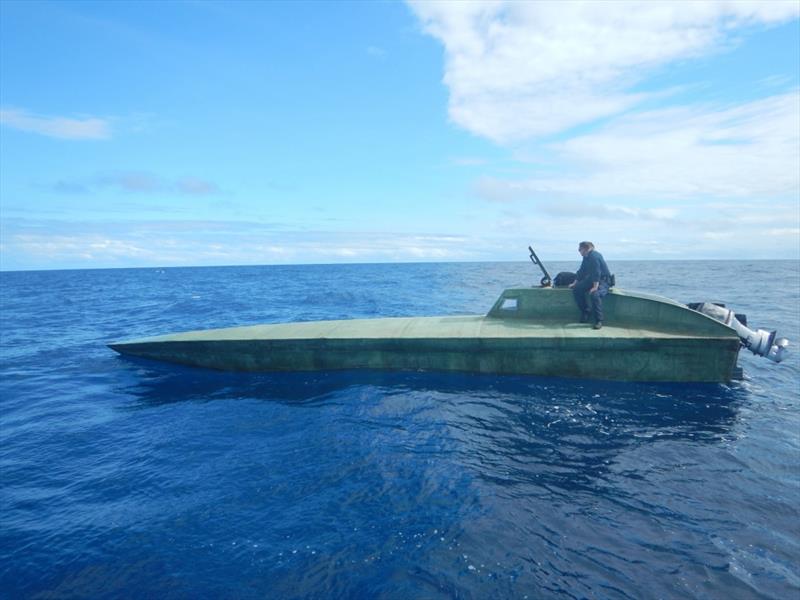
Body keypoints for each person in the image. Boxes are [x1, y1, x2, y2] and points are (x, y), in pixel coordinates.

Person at [569, 241, 612, 329]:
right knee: (577, 289)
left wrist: (595, 287)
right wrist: (575, 283)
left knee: (594, 294)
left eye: (580, 249)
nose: (579, 251)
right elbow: (582, 270)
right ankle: (586, 311)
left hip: (604, 281)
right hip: (593, 279)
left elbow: (597, 272)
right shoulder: (586, 256)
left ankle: (599, 321)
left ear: (586, 249)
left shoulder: (594, 256)